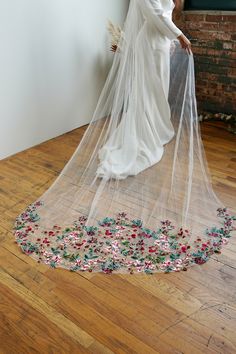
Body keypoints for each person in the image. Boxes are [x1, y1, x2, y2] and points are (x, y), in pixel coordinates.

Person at [13, 0, 235, 275]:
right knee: (148, 94)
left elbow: (154, 13)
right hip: (153, 44)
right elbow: (150, 11)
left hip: (158, 43)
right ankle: (146, 134)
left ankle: (158, 129)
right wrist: (179, 34)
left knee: (156, 95)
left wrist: (158, 37)